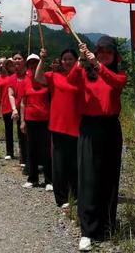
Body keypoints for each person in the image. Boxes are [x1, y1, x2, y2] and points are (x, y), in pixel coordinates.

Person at [67, 36, 127, 252]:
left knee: (110, 177)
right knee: (89, 178)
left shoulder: (116, 74)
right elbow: (71, 81)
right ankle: (88, 231)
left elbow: (116, 83)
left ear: (114, 56)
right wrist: (81, 61)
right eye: (100, 51)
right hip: (90, 128)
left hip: (111, 127)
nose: (103, 55)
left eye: (108, 52)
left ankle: (108, 224)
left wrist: (97, 64)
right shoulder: (85, 73)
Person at [35, 48, 80, 209]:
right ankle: (61, 198)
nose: (67, 62)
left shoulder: (80, 76)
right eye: (64, 59)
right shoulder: (53, 76)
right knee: (60, 164)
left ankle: (75, 194)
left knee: (75, 164)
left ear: (75, 61)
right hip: (58, 125)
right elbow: (38, 77)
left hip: (77, 126)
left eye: (70, 59)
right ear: (60, 61)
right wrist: (42, 59)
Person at [20, 53, 52, 190]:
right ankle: (32, 178)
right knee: (31, 149)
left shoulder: (46, 79)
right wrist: (22, 121)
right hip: (30, 119)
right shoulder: (25, 81)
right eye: (31, 63)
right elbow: (22, 103)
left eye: (36, 63)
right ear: (27, 66)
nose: (33, 66)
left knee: (46, 150)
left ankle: (49, 180)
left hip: (46, 119)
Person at [7, 52, 28, 170]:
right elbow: (11, 94)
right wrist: (14, 109)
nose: (17, 60)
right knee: (21, 135)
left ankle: (34, 160)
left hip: (31, 108)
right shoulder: (12, 78)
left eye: (19, 58)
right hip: (19, 110)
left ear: (24, 61)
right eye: (15, 59)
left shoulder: (29, 75)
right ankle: (24, 159)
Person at [0, 57, 15, 159]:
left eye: (4, 63)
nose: (2, 65)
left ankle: (25, 154)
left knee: (22, 131)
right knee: (8, 130)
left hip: (16, 106)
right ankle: (9, 152)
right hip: (5, 106)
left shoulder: (14, 75)